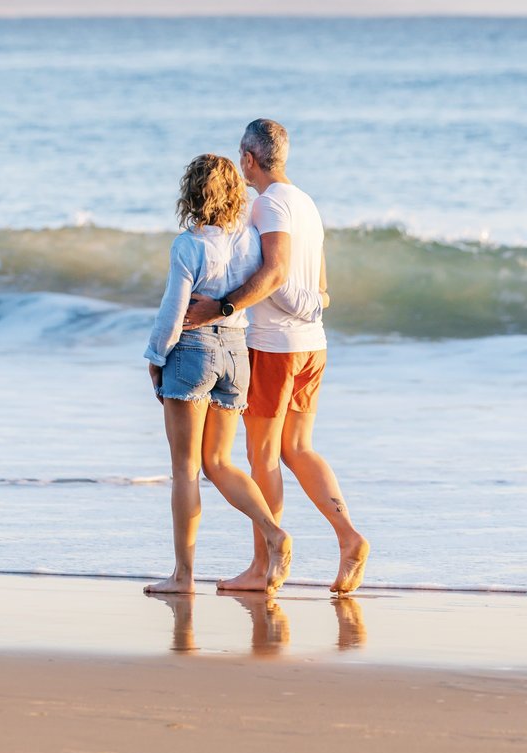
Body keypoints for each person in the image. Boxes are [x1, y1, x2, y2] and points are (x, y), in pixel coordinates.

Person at [183, 119, 369, 594]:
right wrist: (314, 306)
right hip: (314, 345)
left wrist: (220, 308)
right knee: (298, 448)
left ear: (248, 158)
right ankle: (349, 538)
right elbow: (321, 285)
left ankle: (263, 564)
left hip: (275, 346)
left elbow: (275, 273)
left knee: (261, 454)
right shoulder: (307, 202)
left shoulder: (267, 205)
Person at [142, 154, 293, 596]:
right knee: (221, 462)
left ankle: (183, 577)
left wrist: (155, 357)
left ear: (191, 192)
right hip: (235, 353)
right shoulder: (250, 240)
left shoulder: (188, 245)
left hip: (191, 352)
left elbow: (174, 312)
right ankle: (272, 531)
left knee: (186, 471)